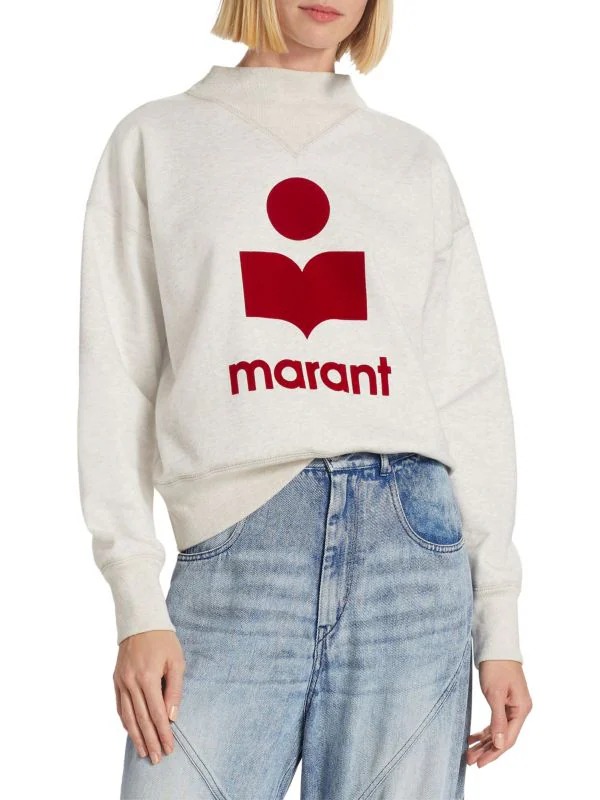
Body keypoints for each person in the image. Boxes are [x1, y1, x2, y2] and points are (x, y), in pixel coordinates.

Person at [77, 1, 533, 797]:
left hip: (411, 557)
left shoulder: (410, 159)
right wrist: (135, 600)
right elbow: (118, 376)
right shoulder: (157, 140)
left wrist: (500, 619)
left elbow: (468, 390)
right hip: (237, 548)